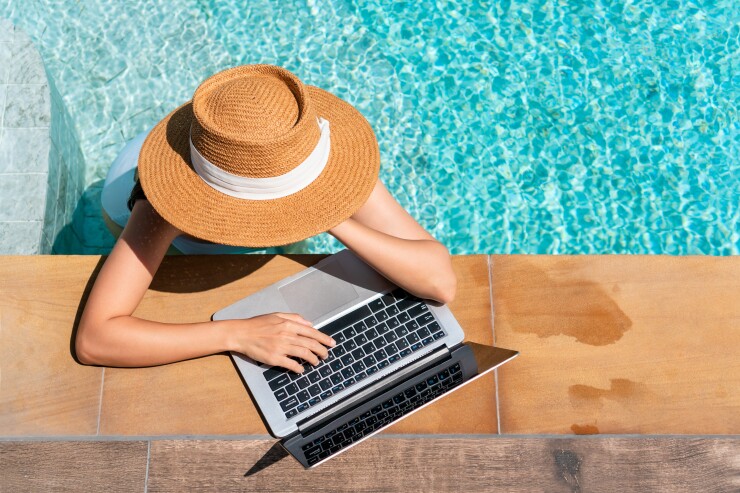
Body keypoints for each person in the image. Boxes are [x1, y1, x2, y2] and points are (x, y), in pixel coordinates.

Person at [75, 65, 457, 374]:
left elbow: (439, 282)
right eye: (276, 207)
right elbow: (95, 339)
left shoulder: (304, 154)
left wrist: (329, 214)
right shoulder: (165, 202)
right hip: (136, 199)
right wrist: (236, 334)